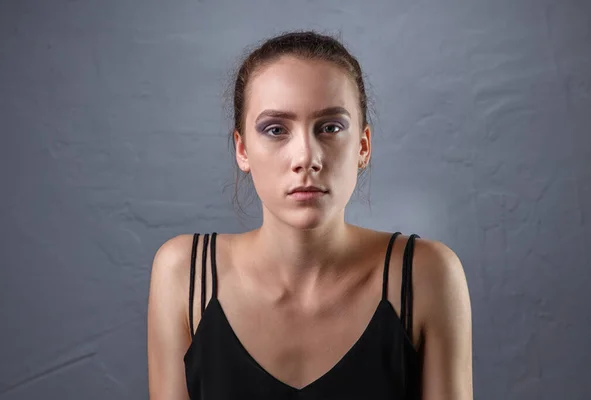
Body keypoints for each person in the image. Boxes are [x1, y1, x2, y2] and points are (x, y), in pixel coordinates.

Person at [147, 30, 472, 399]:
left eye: (330, 127)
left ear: (363, 146)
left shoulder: (426, 276)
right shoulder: (185, 276)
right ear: (242, 150)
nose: (306, 158)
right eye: (275, 130)